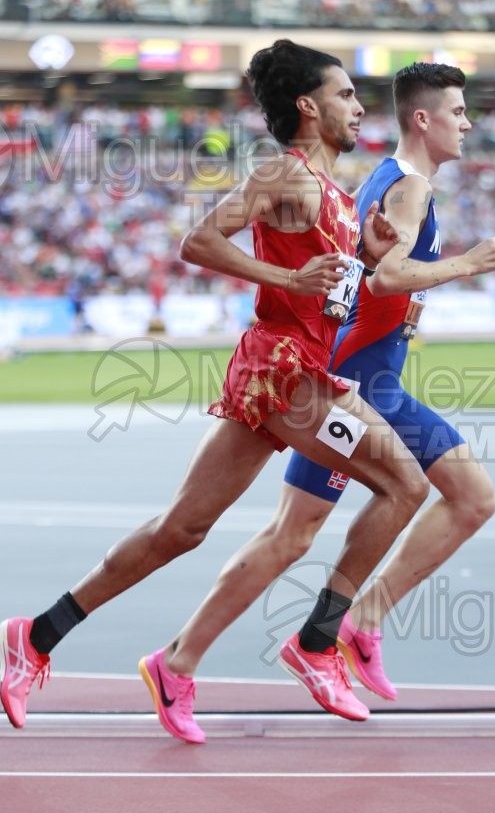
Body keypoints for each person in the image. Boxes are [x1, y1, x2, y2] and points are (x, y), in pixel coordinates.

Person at [0, 40, 429, 740]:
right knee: (405, 486)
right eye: (347, 94)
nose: (358, 107)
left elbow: (330, 284)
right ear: (308, 106)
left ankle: (36, 637)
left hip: (280, 371)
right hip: (286, 375)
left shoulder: (340, 199)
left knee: (181, 529)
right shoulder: (283, 175)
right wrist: (290, 281)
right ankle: (319, 643)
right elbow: (199, 241)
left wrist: (369, 253)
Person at [135, 62, 495, 741]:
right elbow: (387, 278)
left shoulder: (383, 183)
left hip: (352, 374)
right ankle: (335, 633)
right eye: (457, 111)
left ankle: (184, 658)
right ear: (423, 118)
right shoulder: (408, 185)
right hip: (361, 382)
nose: (468, 123)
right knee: (463, 497)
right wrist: (465, 264)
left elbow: (360, 271)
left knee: (291, 536)